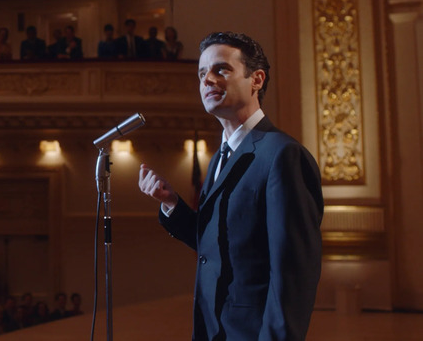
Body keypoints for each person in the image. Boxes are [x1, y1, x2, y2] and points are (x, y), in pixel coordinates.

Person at [138, 31, 323, 340]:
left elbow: (293, 275)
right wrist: (172, 204)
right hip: (214, 330)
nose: (207, 80)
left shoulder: (282, 155)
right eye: (201, 74)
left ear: (257, 79)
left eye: (220, 69)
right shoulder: (220, 158)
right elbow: (221, 246)